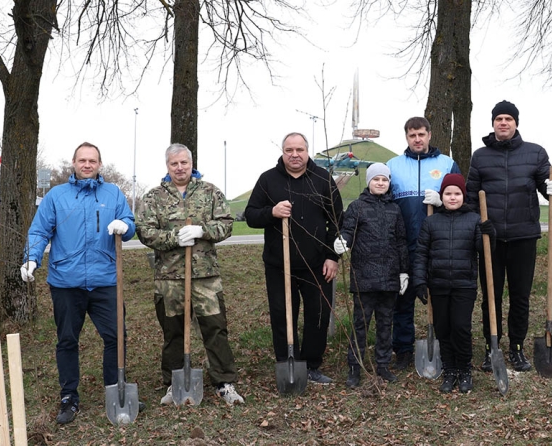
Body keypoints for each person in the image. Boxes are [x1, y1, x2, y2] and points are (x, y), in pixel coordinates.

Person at [20, 142, 136, 424]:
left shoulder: (113, 193)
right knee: (68, 340)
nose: (87, 165)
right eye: (82, 160)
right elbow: (39, 230)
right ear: (73, 163)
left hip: (105, 281)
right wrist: (32, 258)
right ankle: (69, 397)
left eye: (92, 160)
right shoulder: (57, 196)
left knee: (115, 337)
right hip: (66, 281)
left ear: (99, 164)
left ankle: (114, 390)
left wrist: (126, 226)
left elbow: (130, 222)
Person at [136, 143, 244, 405]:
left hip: (205, 276)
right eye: (174, 164)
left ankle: (224, 382)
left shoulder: (209, 192)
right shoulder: (154, 197)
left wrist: (202, 231)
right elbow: (144, 231)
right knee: (173, 331)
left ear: (191, 163)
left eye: (184, 162)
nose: (180, 168)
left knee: (215, 328)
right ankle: (174, 383)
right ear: (167, 166)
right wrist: (174, 237)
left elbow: (226, 224)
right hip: (169, 278)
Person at [466, 100, 552, 372]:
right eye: (499, 119)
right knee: (491, 297)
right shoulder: (480, 156)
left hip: (523, 238)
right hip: (491, 240)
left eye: (509, 118)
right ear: (493, 124)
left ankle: (517, 348)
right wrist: (477, 228)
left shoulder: (535, 153)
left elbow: (549, 189)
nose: (504, 123)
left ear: (516, 123)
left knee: (520, 296)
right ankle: (491, 347)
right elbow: (472, 196)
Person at [245, 132, 343, 384]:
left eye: (299, 149)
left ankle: (311, 365)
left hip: (317, 264)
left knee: (318, 314)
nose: (294, 154)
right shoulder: (268, 180)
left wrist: (333, 257)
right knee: (282, 313)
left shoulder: (323, 179)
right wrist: (272, 212)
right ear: (283, 151)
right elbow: (251, 215)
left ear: (307, 151)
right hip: (279, 265)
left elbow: (337, 221)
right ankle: (287, 362)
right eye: (289, 150)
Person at [386, 117, 460, 371]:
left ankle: (445, 346)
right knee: (402, 299)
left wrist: (441, 202)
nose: (417, 139)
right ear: (406, 137)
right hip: (403, 244)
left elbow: (461, 201)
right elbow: (382, 202)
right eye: (411, 135)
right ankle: (403, 350)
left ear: (429, 134)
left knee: (439, 298)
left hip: (439, 244)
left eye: (421, 134)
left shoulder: (447, 164)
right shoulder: (393, 166)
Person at [413, 173, 495, 393]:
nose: (452, 197)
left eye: (457, 193)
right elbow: (421, 253)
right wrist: (420, 280)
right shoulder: (431, 222)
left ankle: (464, 370)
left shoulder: (474, 220)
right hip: (438, 284)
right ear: (442, 196)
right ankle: (449, 370)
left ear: (463, 196)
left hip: (464, 284)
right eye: (448, 193)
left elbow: (484, 250)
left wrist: (489, 234)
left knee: (461, 327)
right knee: (443, 328)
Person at [334, 163, 409, 388]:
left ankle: (383, 365)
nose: (380, 183)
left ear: (389, 183)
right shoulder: (357, 207)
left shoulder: (395, 209)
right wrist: (343, 242)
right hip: (363, 278)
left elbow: (401, 242)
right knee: (361, 325)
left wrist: (403, 271)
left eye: (384, 180)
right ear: (369, 182)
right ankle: (355, 368)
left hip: (389, 278)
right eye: (376, 179)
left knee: (386, 324)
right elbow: (348, 230)